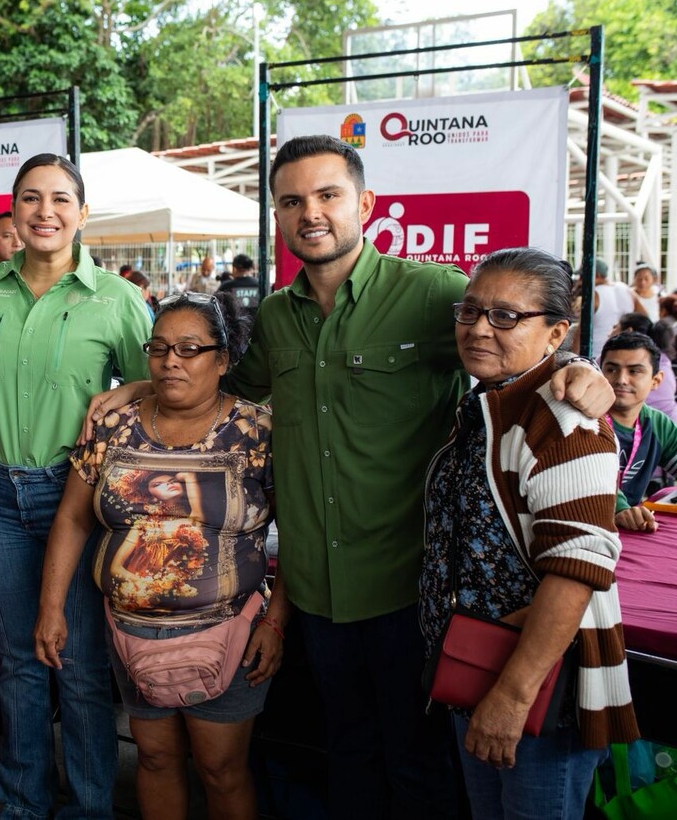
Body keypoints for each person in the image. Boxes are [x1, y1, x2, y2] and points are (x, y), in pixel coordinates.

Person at [86, 135, 612, 819]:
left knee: (420, 770)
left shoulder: (434, 293)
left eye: (328, 195)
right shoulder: (276, 317)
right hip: (317, 595)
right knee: (348, 760)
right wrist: (139, 385)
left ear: (364, 203)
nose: (312, 213)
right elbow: (220, 389)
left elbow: (518, 344)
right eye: (293, 200)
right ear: (277, 217)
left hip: (410, 591)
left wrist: (582, 372)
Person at [0, 153, 153, 819]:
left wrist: (124, 391)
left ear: (81, 212)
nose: (44, 211)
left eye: (59, 199)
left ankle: (87, 804)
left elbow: (158, 386)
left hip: (74, 494)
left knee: (77, 663)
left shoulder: (116, 299)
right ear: (14, 210)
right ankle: (22, 802)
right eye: (30, 198)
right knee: (18, 659)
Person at [36, 291, 285, 819]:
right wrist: (51, 607)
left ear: (222, 360)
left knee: (220, 769)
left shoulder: (256, 432)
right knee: (153, 757)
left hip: (227, 632)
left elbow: (301, 533)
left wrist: (277, 621)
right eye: (159, 347)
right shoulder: (114, 425)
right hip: (131, 632)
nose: (171, 359)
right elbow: (74, 518)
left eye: (190, 349)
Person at [420, 247, 638, 818]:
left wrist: (512, 698)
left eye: (506, 316)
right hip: (480, 668)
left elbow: (578, 567)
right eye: (469, 312)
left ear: (555, 333)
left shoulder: (564, 417)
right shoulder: (488, 403)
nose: (479, 329)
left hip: (539, 689)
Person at [602, 331, 677, 533]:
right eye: (611, 369)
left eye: (634, 371)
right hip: (582, 528)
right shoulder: (586, 419)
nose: (621, 380)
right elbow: (589, 480)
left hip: (630, 531)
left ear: (656, 380)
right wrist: (621, 508)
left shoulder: (658, 424)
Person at [612, 312, 677, 419]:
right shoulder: (663, 358)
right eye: (611, 370)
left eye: (615, 327)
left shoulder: (619, 357)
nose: (621, 380)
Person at [592, 258, 644, 362]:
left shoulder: (594, 294)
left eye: (582, 277)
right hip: (623, 352)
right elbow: (644, 318)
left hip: (595, 353)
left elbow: (581, 330)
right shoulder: (626, 289)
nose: (580, 281)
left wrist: (577, 358)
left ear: (596, 275)